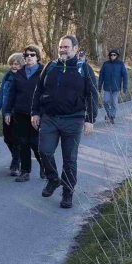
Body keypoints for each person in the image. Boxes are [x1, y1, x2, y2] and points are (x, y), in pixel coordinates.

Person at [31, 35, 99, 208]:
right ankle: (53, 179)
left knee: (70, 159)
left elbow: (92, 94)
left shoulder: (84, 68)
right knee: (44, 151)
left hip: (73, 120)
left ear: (75, 49)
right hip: (49, 118)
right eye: (60, 47)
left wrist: (90, 119)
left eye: (66, 47)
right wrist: (35, 112)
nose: (62, 50)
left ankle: (68, 192)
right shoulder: (51, 66)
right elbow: (39, 89)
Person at [4, 45, 45, 182]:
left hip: (37, 114)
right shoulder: (19, 73)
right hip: (20, 113)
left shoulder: (43, 72)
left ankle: (44, 166)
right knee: (23, 142)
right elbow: (12, 94)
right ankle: (25, 171)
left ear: (37, 57)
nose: (29, 57)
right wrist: (8, 111)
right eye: (26, 55)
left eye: (32, 55)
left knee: (35, 143)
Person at [0, 53, 24, 175]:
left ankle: (15, 163)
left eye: (16, 64)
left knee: (16, 139)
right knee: (7, 138)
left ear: (22, 65)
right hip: (6, 113)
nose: (14, 66)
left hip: (19, 113)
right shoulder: (7, 77)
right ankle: (17, 158)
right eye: (12, 63)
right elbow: (1, 94)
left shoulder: (24, 78)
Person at [97, 48, 128, 124]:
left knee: (114, 101)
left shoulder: (120, 64)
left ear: (117, 56)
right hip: (107, 86)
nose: (112, 56)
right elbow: (101, 75)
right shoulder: (106, 64)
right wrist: (99, 85)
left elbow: (125, 75)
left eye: (114, 55)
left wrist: (125, 86)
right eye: (111, 54)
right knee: (106, 101)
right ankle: (109, 114)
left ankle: (112, 116)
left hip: (116, 87)